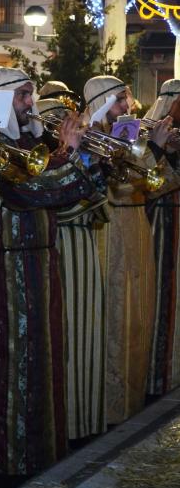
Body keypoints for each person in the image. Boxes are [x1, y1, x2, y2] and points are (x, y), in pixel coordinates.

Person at [0, 68, 101, 478]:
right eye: (23, 95)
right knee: (9, 362)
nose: (30, 103)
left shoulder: (27, 141)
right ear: (4, 100)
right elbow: (28, 193)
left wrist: (81, 158)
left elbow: (58, 190)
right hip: (5, 265)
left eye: (30, 94)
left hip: (39, 259)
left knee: (41, 357)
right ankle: (7, 461)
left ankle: (37, 452)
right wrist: (70, 156)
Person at [83, 75, 173, 424]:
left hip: (136, 229)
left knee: (137, 315)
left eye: (127, 99)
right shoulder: (92, 139)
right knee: (114, 317)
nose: (129, 107)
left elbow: (152, 182)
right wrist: (158, 149)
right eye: (121, 100)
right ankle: (107, 407)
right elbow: (123, 185)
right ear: (103, 101)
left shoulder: (126, 133)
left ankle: (130, 403)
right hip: (111, 231)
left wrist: (161, 151)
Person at [37, 94, 109, 441]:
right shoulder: (47, 160)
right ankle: (68, 422)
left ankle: (85, 420)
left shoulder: (73, 157)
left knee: (87, 334)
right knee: (66, 337)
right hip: (62, 247)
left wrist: (93, 162)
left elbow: (100, 207)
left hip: (84, 248)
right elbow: (64, 205)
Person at [144, 80, 180, 394]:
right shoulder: (147, 137)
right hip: (160, 225)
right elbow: (154, 183)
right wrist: (163, 150)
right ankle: (158, 375)